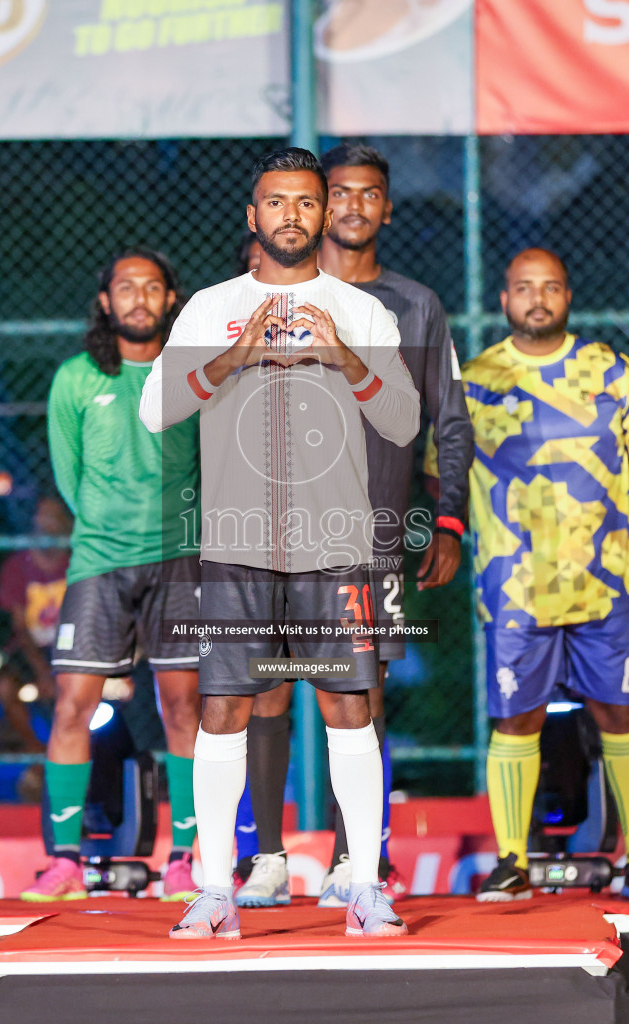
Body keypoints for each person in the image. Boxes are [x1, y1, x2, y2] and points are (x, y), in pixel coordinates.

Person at [141, 147, 420, 938]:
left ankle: (364, 886)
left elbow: (403, 421)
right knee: (223, 707)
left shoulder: (360, 311)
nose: (292, 215)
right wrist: (234, 356)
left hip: (335, 545)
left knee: (349, 705)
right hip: (235, 545)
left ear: (324, 213)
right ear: (254, 215)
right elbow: (155, 410)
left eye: (306, 202)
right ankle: (217, 891)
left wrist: (344, 357)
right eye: (277, 203)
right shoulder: (210, 306)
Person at [235, 143, 474, 910]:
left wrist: (447, 519)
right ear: (315, 202)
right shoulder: (267, 294)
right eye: (338, 193)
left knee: (358, 692)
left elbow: (451, 420)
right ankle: (266, 860)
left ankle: (353, 861)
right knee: (268, 690)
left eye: (370, 195)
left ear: (388, 208)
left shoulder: (416, 306)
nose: (352, 207)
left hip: (368, 535)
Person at [435, 247, 629, 902]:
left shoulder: (611, 371)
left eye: (551, 287)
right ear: (504, 300)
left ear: (568, 296)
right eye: (523, 288)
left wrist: (602, 523)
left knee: (620, 712)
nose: (538, 299)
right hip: (515, 582)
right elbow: (441, 469)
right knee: (516, 719)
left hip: (604, 578)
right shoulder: (476, 380)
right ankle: (512, 860)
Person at [22, 249, 204, 903]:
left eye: (151, 287)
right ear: (105, 301)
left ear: (171, 298)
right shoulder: (75, 377)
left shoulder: (192, 374)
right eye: (125, 287)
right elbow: (69, 478)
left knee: (184, 706)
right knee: (74, 705)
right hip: (99, 560)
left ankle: (185, 859)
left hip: (180, 561)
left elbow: (212, 468)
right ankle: (64, 862)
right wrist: (110, 528)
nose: (137, 298)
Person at [0, 496, 73, 693]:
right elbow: (20, 627)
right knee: (5, 687)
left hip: (72, 646)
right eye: (42, 517)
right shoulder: (17, 565)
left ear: (66, 523)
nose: (47, 524)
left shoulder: (77, 562)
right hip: (29, 647)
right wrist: (42, 671)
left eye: (54, 517)